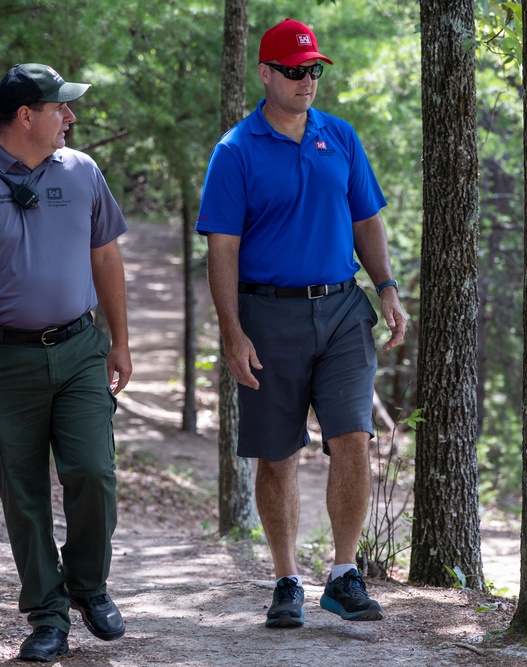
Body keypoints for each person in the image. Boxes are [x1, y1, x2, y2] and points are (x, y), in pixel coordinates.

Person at [196, 18, 406, 628]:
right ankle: (287, 580)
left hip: (342, 310)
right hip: (267, 313)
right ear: (266, 73)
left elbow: (366, 219)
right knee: (278, 456)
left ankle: (343, 575)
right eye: (294, 71)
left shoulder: (339, 137)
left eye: (314, 69)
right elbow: (223, 249)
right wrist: (233, 330)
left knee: (353, 439)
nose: (307, 80)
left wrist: (387, 288)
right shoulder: (235, 151)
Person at [0, 63, 131, 662]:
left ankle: (88, 587)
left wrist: (120, 339)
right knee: (23, 492)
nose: (70, 117)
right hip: (1, 361)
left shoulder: (84, 171)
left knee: (92, 470)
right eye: (59, 108)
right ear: (25, 116)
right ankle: (47, 614)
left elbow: (107, 259)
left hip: (79, 350)